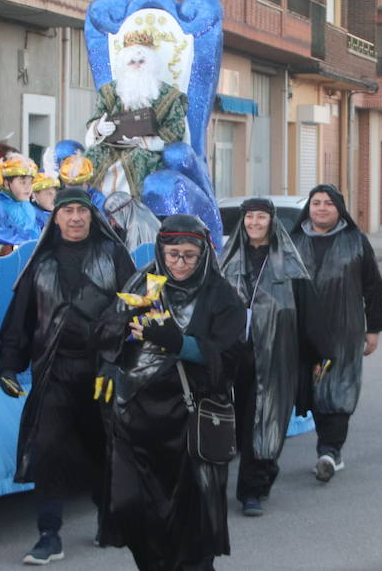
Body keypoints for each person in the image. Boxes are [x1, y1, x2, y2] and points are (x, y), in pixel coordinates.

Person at [94, 214, 246, 570]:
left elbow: (229, 357)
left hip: (188, 421)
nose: (180, 263)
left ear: (203, 255)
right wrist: (111, 359)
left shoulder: (221, 295)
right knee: (135, 512)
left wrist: (179, 343)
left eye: (189, 255)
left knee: (191, 525)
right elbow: (108, 328)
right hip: (137, 418)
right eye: (172, 254)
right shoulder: (143, 282)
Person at [0, 188, 137, 566]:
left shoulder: (114, 256)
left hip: (103, 371)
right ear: (55, 217)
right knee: (48, 449)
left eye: (81, 210)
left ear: (92, 216)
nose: (75, 217)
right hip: (54, 371)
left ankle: (108, 516)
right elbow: (21, 317)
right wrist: (9, 364)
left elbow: (134, 313)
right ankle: (49, 534)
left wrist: (119, 362)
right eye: (67, 210)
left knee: (104, 447)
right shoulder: (40, 263)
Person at [217, 198, 325, 518]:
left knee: (264, 420)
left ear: (271, 221)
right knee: (238, 422)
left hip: (276, 353)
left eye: (261, 217)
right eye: (249, 217)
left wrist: (315, 355)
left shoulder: (289, 263)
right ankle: (251, 473)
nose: (254, 222)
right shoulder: (227, 260)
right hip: (235, 356)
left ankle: (252, 489)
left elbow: (308, 313)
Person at [289, 185, 382, 483]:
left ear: (339, 209)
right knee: (309, 388)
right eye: (316, 203)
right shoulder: (293, 241)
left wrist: (373, 329)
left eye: (328, 203)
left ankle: (330, 452)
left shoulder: (356, 241)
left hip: (343, 331)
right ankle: (323, 447)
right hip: (300, 330)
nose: (321, 208)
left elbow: (373, 287)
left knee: (339, 389)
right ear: (309, 208)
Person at [84, 31, 188, 197]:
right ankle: (92, 205)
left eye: (141, 61)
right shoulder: (109, 91)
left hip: (146, 150)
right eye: (132, 62)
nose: (137, 66)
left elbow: (176, 129)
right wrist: (99, 128)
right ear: (124, 65)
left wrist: (145, 141)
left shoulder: (169, 95)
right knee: (91, 157)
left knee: (136, 159)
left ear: (151, 63)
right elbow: (95, 120)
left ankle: (130, 207)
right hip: (111, 147)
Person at [0, 154, 42, 247]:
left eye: (30, 182)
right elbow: (26, 232)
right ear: (7, 184)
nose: (28, 187)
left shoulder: (24, 203)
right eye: (22, 182)